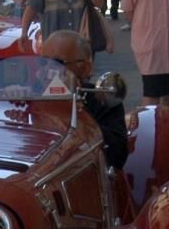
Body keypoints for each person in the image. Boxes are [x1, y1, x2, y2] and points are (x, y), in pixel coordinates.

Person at [41, 31, 127, 170]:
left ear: (86, 68)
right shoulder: (34, 97)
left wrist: (76, 108)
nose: (47, 69)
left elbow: (117, 156)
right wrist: (14, 105)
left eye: (57, 63)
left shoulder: (102, 100)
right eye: (44, 62)